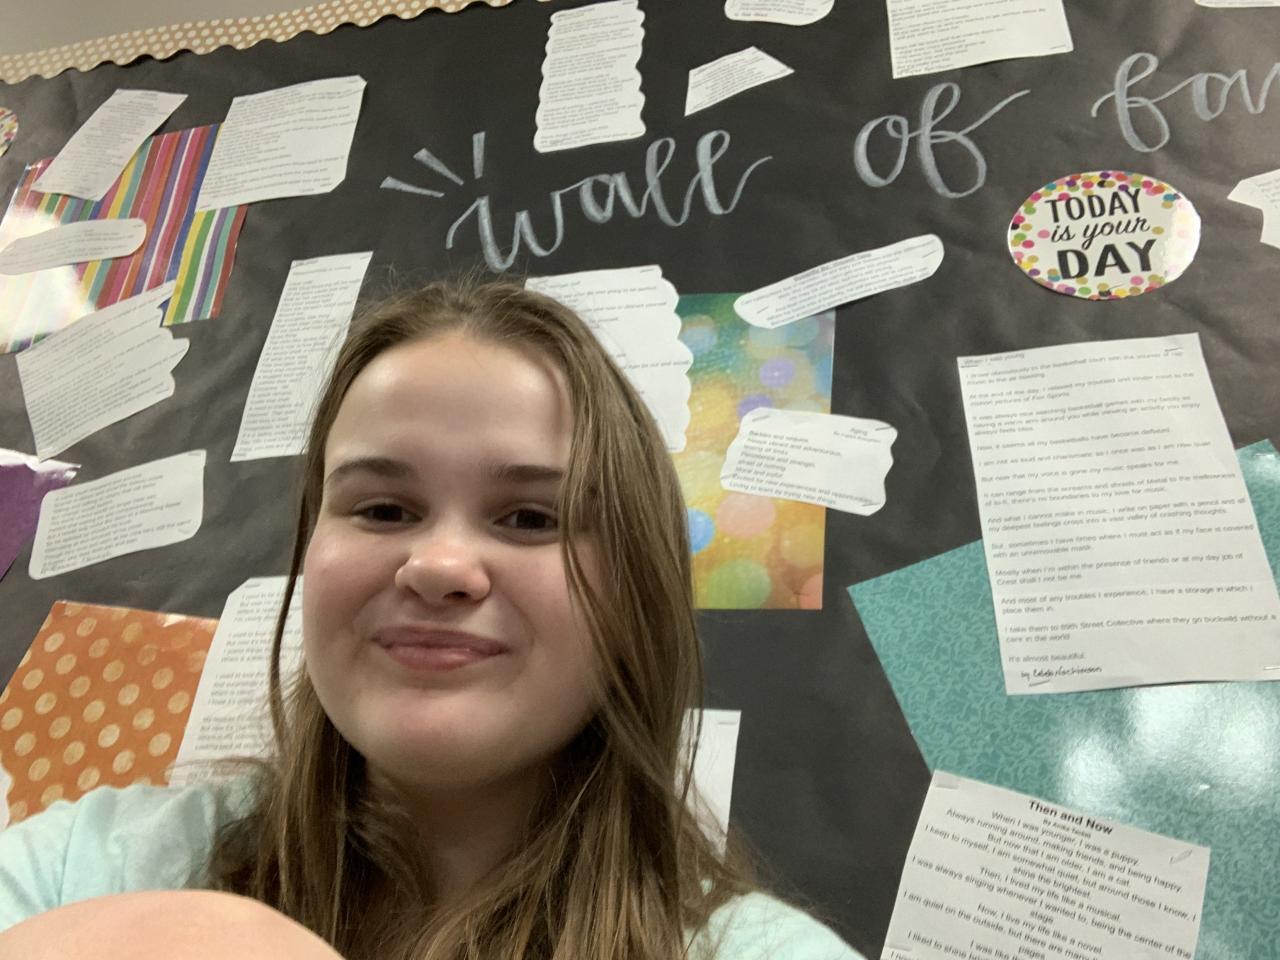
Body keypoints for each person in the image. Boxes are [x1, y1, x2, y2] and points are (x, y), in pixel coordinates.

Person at [0, 277, 864, 960]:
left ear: (637, 593)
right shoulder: (80, 871)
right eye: (382, 509)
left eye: (531, 518)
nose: (439, 566)